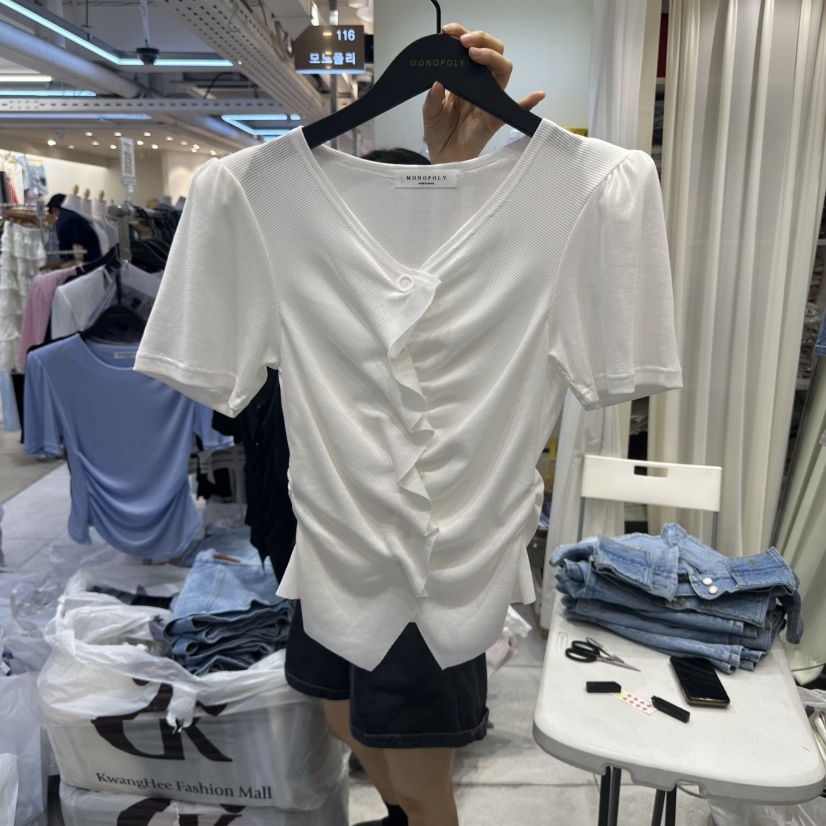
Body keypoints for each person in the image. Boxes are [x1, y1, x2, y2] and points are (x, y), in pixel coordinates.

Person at [283, 24, 546, 826]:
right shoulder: (276, 212)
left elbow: (460, 302)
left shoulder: (540, 225)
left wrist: (457, 167)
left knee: (419, 765)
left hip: (435, 561)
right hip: (333, 540)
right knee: (339, 717)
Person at [45, 193, 102, 264]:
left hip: (85, 263)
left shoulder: (68, 219)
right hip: (91, 262)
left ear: (54, 210)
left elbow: (77, 247)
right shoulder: (73, 217)